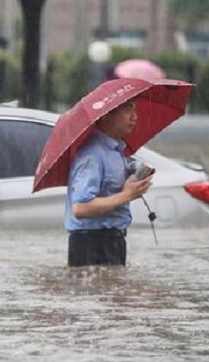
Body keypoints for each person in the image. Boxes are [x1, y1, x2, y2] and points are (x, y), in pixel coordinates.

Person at [65, 100, 153, 267]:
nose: (135, 117)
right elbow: (80, 208)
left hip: (113, 239)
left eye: (135, 109)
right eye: (128, 110)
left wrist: (134, 177)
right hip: (91, 244)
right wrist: (127, 195)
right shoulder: (92, 154)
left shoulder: (115, 150)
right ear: (106, 115)